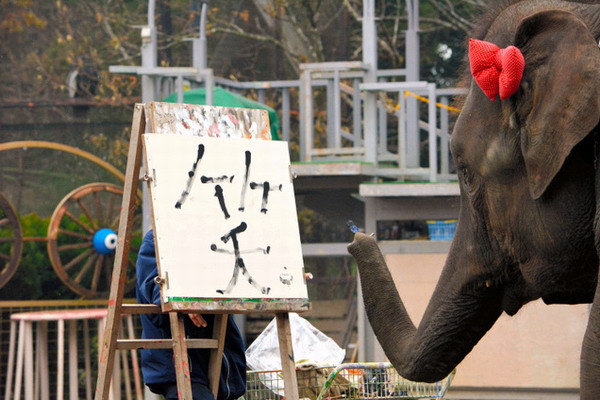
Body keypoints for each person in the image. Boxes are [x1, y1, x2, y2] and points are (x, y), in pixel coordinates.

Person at [136, 229, 247, 400]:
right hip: (180, 357)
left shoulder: (215, 237)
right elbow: (154, 285)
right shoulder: (159, 237)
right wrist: (184, 301)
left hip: (217, 357)